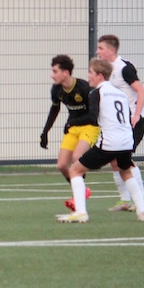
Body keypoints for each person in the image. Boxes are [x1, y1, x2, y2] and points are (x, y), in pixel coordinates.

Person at [60, 58, 144, 223]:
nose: (88, 76)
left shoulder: (96, 93)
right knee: (126, 172)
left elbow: (93, 117)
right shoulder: (120, 93)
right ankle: (142, 211)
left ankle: (80, 212)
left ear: (100, 76)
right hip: (126, 141)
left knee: (75, 170)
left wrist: (73, 122)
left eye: (91, 73)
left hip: (109, 142)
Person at [96, 34, 144, 213]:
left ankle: (142, 198)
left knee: (123, 158)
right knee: (114, 159)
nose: (98, 51)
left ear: (111, 50)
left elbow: (141, 91)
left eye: (101, 48)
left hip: (135, 120)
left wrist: (136, 115)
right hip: (121, 121)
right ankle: (125, 199)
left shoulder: (124, 68)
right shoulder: (105, 70)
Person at [39, 54, 99, 211]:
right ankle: (82, 190)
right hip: (72, 129)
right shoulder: (56, 89)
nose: (52, 75)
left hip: (90, 127)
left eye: (55, 71)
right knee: (62, 165)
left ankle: (78, 198)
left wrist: (73, 122)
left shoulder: (84, 88)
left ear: (65, 73)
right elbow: (54, 109)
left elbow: (94, 115)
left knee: (77, 157)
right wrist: (45, 132)